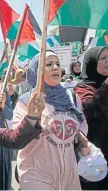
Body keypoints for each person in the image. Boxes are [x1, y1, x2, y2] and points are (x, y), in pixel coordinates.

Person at [15, 51, 89, 190]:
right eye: (48, 64)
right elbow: (17, 138)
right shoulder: (26, 101)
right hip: (36, 176)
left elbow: (82, 123)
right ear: (36, 71)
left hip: (69, 177)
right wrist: (31, 117)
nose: (55, 67)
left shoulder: (71, 97)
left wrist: (81, 135)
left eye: (57, 64)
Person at [74, 47, 108, 189]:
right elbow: (91, 113)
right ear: (92, 63)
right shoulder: (82, 89)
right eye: (103, 58)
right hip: (94, 158)